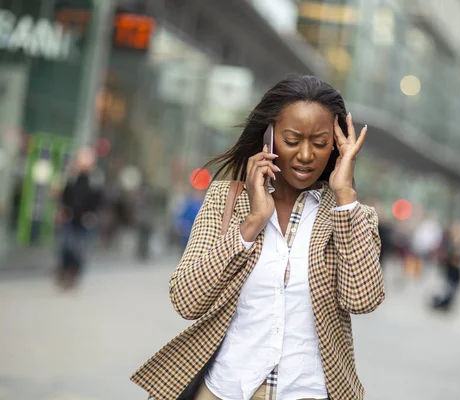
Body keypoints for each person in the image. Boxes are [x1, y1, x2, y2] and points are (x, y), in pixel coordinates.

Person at [131, 75, 385, 400]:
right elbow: (186, 299)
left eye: (320, 142)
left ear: (336, 145)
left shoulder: (350, 216)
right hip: (224, 390)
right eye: (292, 139)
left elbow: (362, 300)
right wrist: (251, 224)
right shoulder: (227, 201)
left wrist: (344, 195)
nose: (306, 154)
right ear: (269, 137)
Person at [56, 147, 102, 289]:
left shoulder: (95, 179)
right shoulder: (71, 176)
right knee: (65, 245)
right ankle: (63, 271)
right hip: (70, 217)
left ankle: (73, 274)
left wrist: (92, 214)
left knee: (80, 249)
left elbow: (99, 199)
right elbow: (64, 195)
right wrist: (63, 210)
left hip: (85, 220)